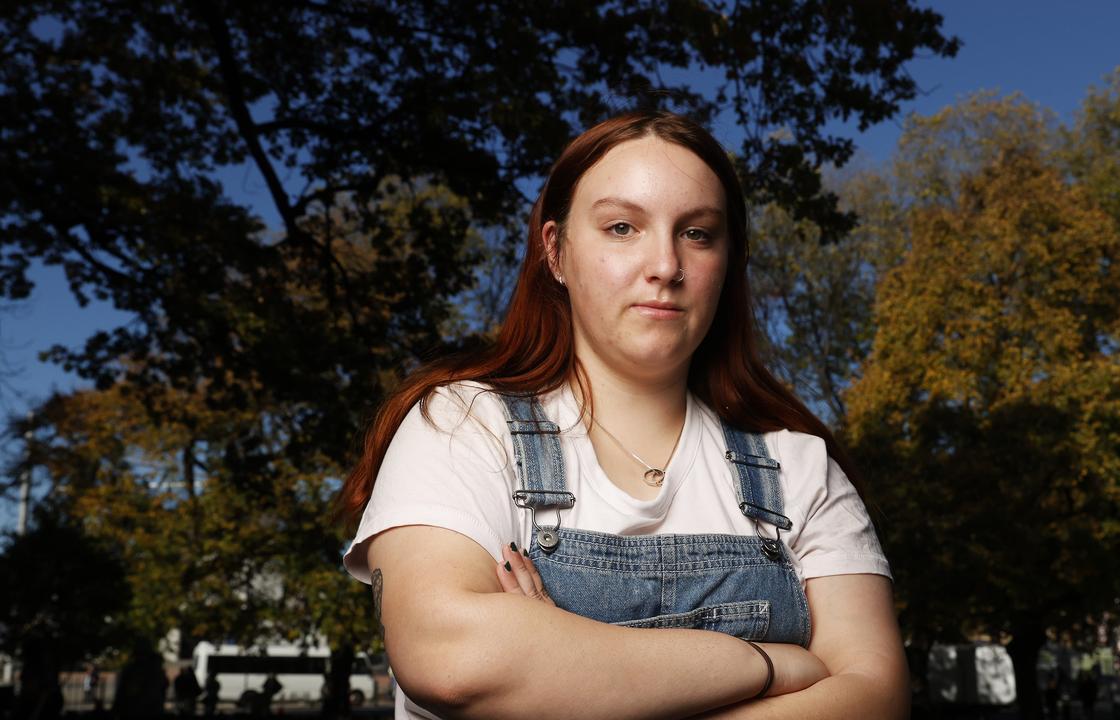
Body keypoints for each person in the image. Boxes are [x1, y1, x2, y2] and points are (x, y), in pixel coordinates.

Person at [338, 110, 907, 719]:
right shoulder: (464, 425)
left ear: (727, 262)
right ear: (555, 252)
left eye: (698, 233)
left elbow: (874, 698)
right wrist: (768, 666)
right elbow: (451, 658)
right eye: (621, 227)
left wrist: (559, 665)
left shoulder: (800, 469)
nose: (665, 265)